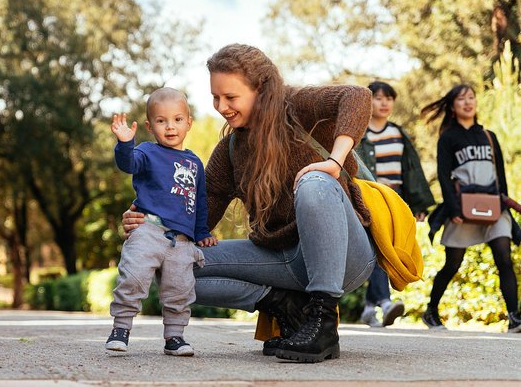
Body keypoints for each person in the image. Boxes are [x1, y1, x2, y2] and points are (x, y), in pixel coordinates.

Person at [123, 44, 376, 363]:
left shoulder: (296, 106)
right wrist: (148, 224)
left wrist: (335, 161)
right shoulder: (228, 151)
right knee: (173, 265)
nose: (221, 106)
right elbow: (189, 218)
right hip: (284, 260)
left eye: (231, 97)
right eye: (216, 97)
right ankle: (281, 302)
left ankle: (322, 321)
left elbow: (357, 96)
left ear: (260, 90)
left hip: (346, 257)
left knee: (312, 183)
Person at [105, 87, 218, 356]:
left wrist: (201, 231)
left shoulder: (194, 163)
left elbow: (198, 201)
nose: (170, 127)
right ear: (149, 125)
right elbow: (128, 164)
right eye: (161, 121)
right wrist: (124, 143)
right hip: (148, 230)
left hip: (181, 240)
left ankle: (175, 337)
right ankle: (121, 328)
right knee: (133, 278)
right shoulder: (146, 152)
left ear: (189, 123)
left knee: (180, 290)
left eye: (178, 120)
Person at [420, 84, 521, 332]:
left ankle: (514, 317)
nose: (468, 102)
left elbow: (500, 175)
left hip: (493, 205)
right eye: (462, 99)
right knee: (453, 263)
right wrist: (454, 210)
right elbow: (444, 176)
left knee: (503, 257)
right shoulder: (448, 138)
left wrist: (503, 203)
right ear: (453, 107)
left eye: (471, 98)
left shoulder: (489, 136)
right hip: (463, 208)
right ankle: (431, 311)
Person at [355, 81, 434, 327]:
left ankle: (370, 307)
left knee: (385, 246)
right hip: (370, 195)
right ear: (368, 102)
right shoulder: (358, 133)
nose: (384, 103)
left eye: (388, 98)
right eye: (378, 98)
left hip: (396, 196)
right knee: (381, 244)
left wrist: (418, 204)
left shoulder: (398, 134)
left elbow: (412, 171)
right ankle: (385, 301)